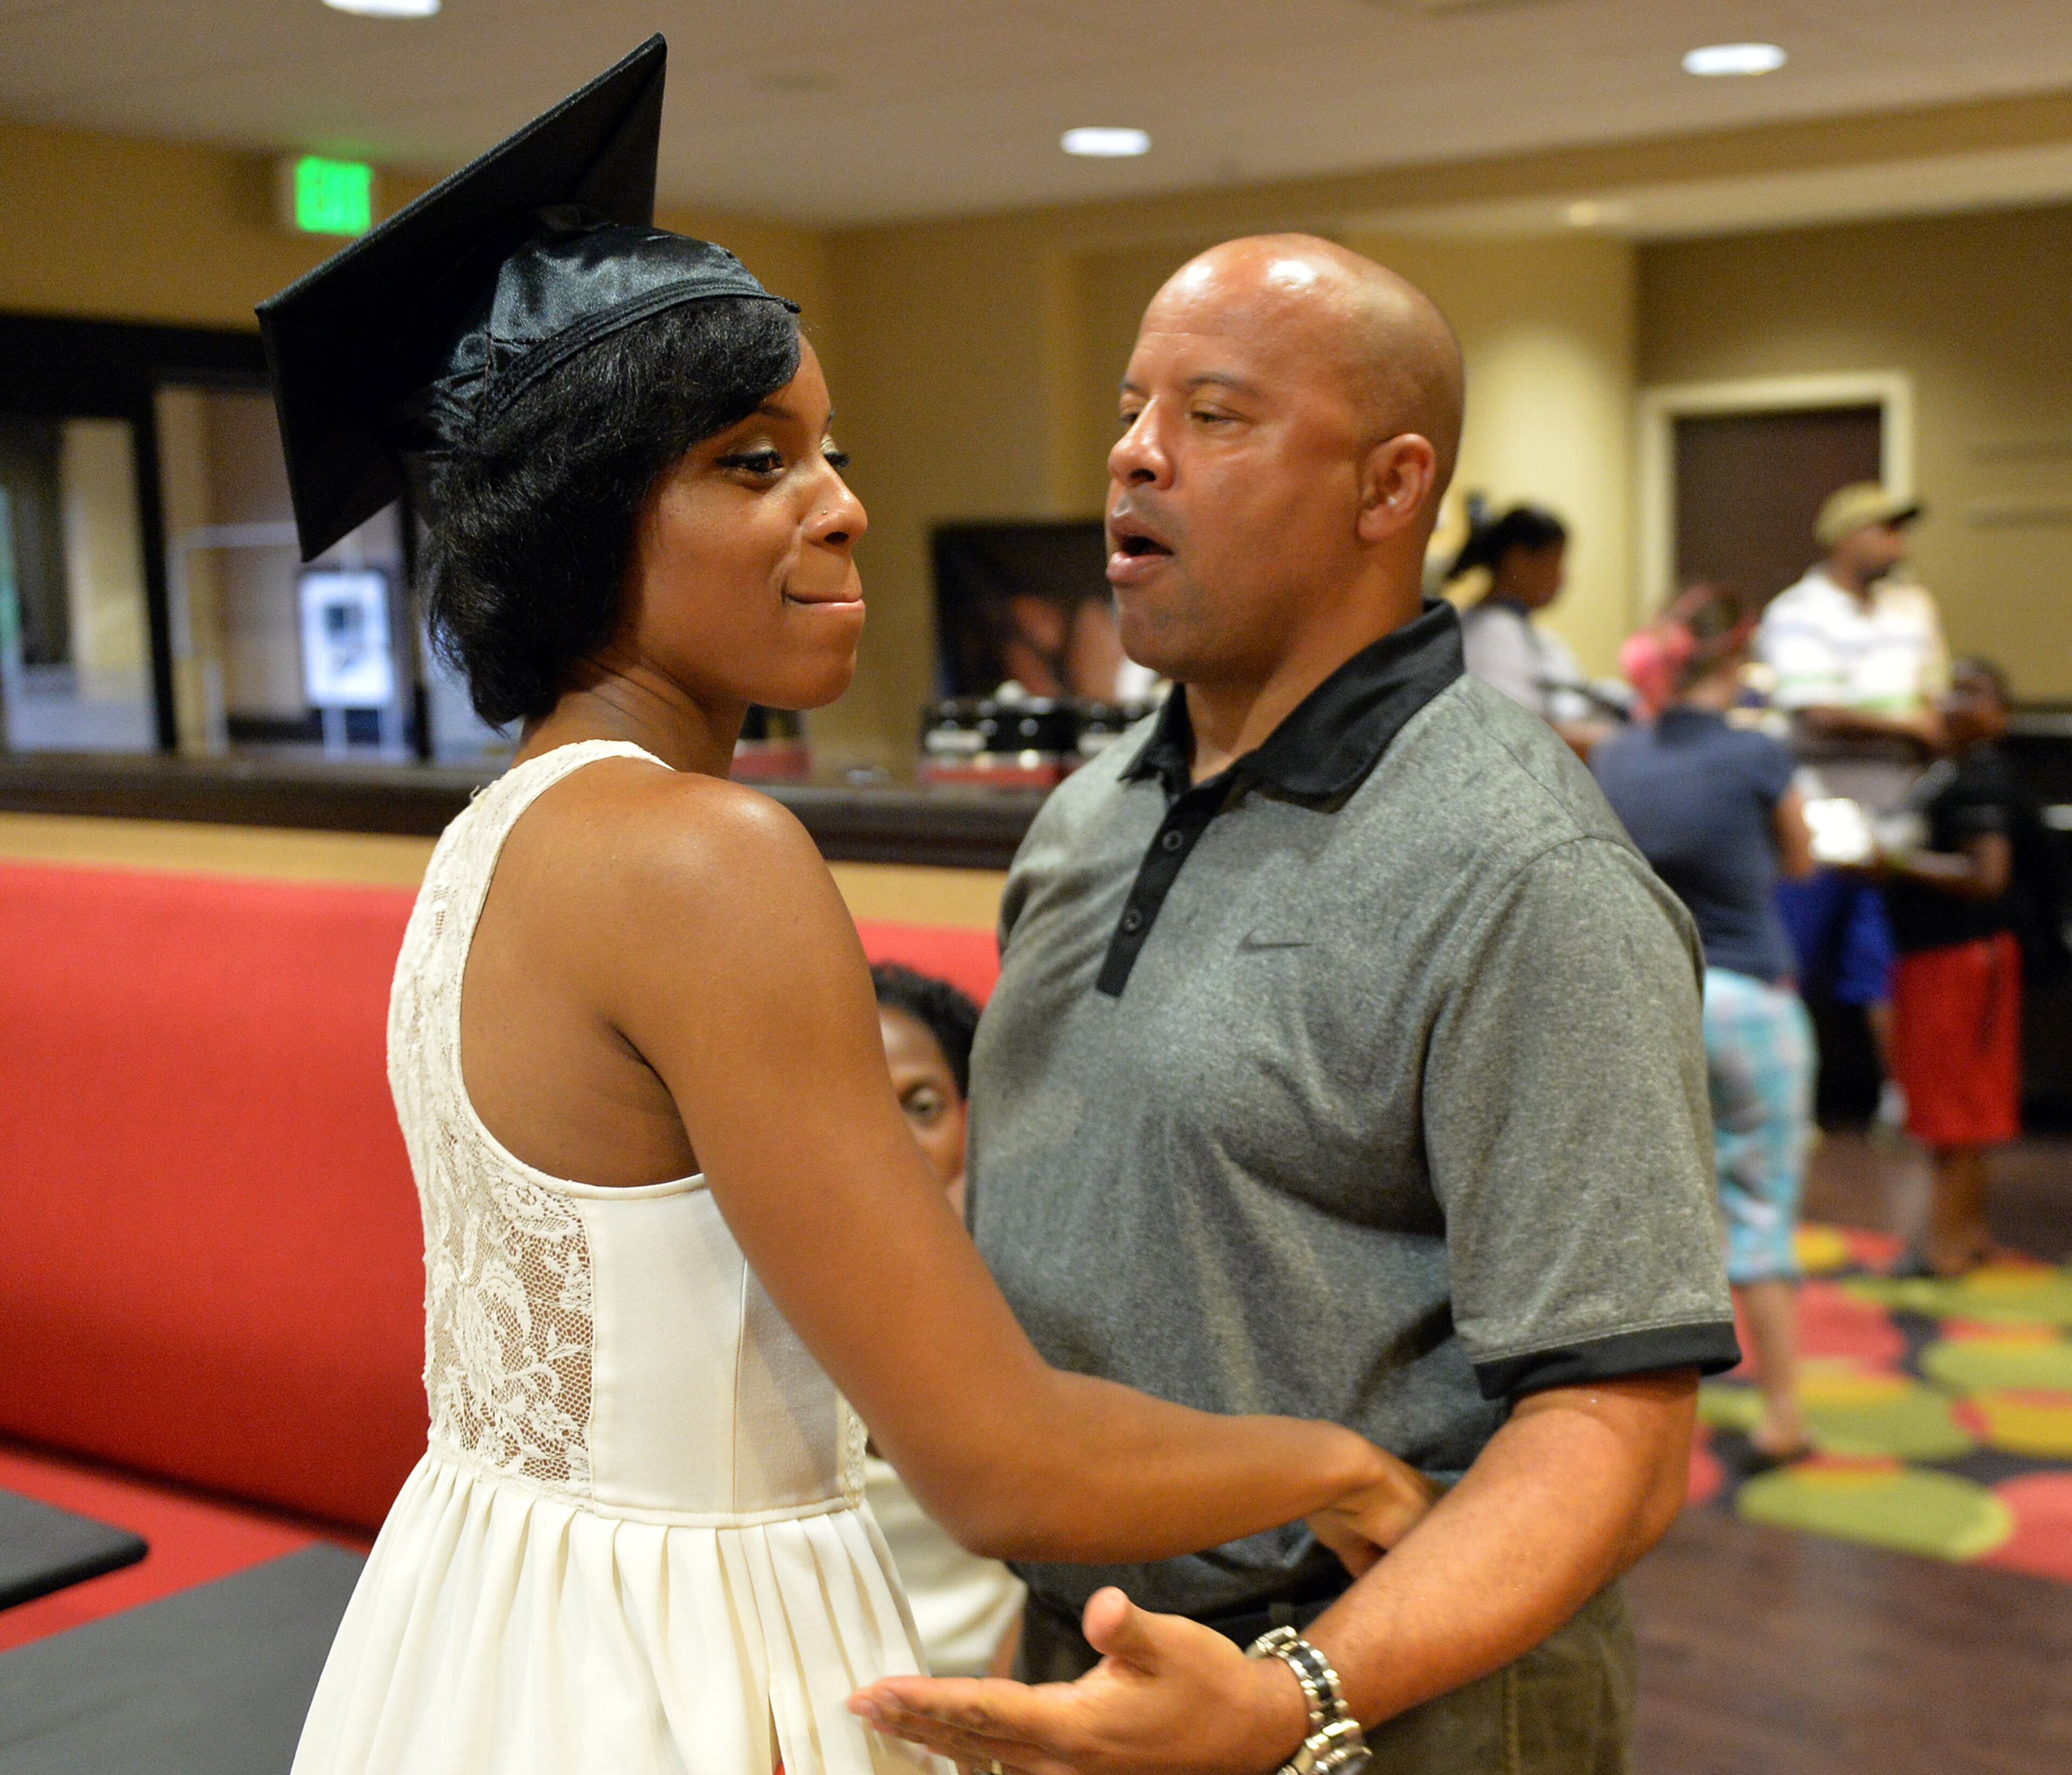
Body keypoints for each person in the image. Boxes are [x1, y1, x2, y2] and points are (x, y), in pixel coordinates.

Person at [259, 45, 1434, 1775]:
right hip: (677, 1651)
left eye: (826, 448)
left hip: (490, 1608)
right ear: (584, 523)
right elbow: (992, 1458)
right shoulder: (701, 856)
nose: (842, 504)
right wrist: (1345, 1465)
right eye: (752, 462)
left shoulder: (500, 834)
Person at [854, 236, 1737, 1775]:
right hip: (1099, 1644)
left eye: (1213, 415)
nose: (1133, 454)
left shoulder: (1524, 870)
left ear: (1390, 489)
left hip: (1390, 1690)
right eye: (1133, 409)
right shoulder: (1087, 817)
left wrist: (1291, 1697)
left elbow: (1620, 1440)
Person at [1594, 587, 1819, 1463]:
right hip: (1749, 997)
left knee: (1662, 1212)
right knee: (1759, 1207)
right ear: (1739, 653)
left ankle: (1635, 1418)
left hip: (1652, 997)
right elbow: (1800, 858)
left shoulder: (1617, 753)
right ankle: (1784, 1415)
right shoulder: (1758, 754)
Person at [1756, 482, 1950, 1118]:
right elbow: (1815, 715)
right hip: (1818, 808)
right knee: (1798, 957)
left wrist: (1913, 723)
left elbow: (1936, 702)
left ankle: (1900, 1101)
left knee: (1883, 963)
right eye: (1884, 528)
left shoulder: (1912, 608)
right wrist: (1904, 725)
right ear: (1845, 537)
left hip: (1898, 810)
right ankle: (1786, 1104)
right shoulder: (1798, 611)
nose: (1898, 543)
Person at [867, 963, 1026, 1678]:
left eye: (921, 1106)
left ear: (972, 1122)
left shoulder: (1031, 1299)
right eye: (858, 1104)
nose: (891, 1139)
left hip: (1004, 1684)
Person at [1878, 660, 2030, 1275]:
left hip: (1962, 962)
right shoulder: (1952, 772)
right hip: (1944, 959)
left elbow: (1986, 875)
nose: (1953, 701)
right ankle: (1965, 1233)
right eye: (1951, 687)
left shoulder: (1981, 783)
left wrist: (1889, 863)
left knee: (1955, 1110)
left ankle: (1945, 1244)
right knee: (1960, 1106)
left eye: (1974, 692)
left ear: (2001, 715)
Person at [1448, 501, 1609, 756]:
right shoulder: (1489, 635)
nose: (1561, 578)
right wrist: (1617, 747)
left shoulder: (1510, 630)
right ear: (1518, 560)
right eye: (1555, 562)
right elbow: (1518, 735)